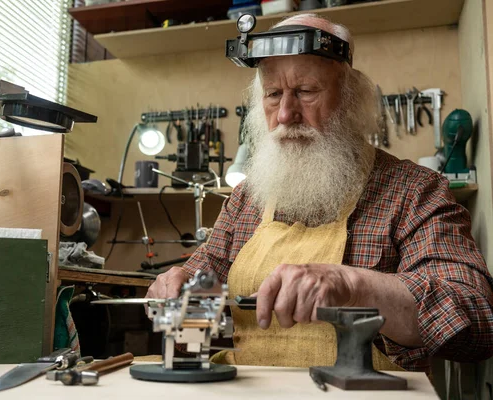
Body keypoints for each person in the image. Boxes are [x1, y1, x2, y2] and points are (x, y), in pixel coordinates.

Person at [145, 13, 493, 372]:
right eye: (273, 94)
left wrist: (353, 286)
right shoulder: (247, 197)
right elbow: (201, 284)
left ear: (351, 97)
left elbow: (478, 320)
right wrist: (180, 287)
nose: (284, 114)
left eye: (306, 91)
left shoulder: (413, 190)